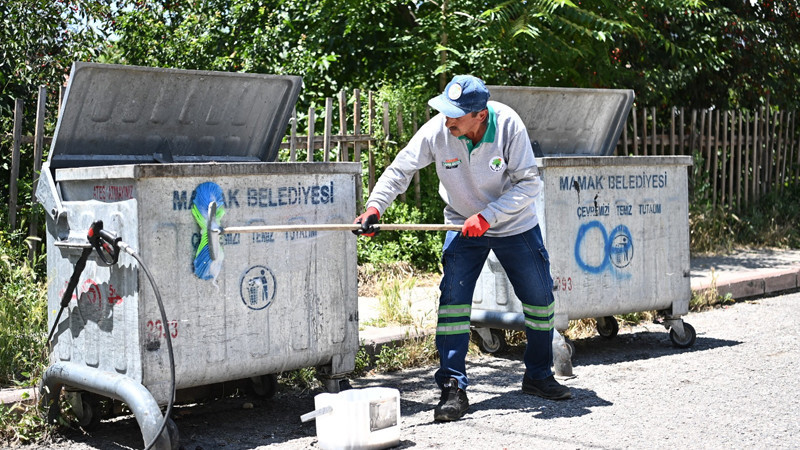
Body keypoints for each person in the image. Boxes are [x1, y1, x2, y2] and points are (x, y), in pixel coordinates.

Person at [353, 75, 571, 422]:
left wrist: (489, 216)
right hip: (461, 220)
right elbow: (400, 168)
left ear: (480, 115)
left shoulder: (508, 126)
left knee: (540, 301)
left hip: (513, 223)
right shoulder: (439, 131)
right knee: (453, 303)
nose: (447, 120)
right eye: (445, 111)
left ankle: (538, 376)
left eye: (456, 114)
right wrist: (375, 207)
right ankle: (452, 387)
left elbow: (529, 184)